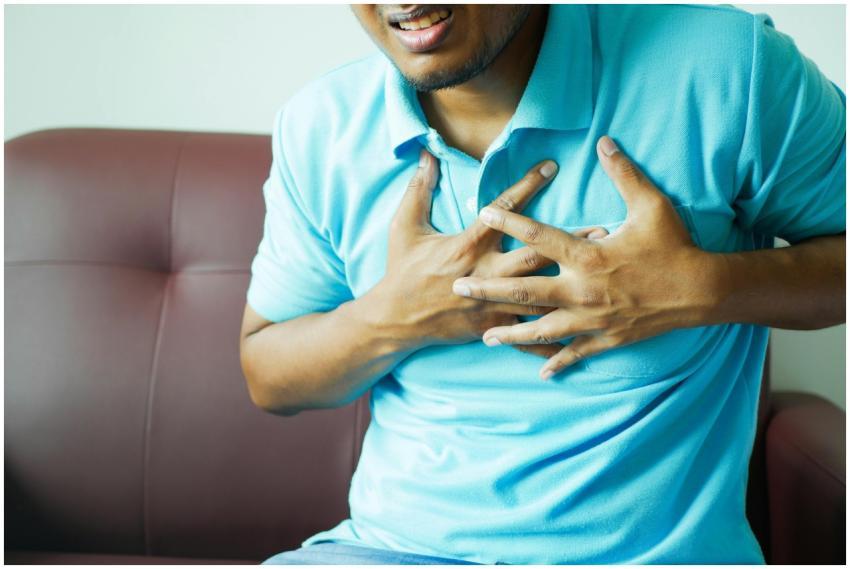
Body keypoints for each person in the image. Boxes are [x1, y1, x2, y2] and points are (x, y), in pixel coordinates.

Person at [240, 4, 845, 565]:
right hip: (385, 550)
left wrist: (702, 289)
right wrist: (392, 317)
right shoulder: (317, 125)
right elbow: (268, 374)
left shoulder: (728, 64)